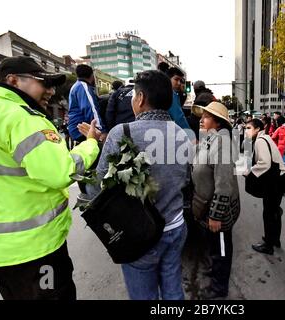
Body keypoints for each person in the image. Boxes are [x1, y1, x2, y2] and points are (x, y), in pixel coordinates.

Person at [0, 56, 100, 300]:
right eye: (44, 83)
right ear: (13, 81)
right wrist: (91, 143)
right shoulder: (21, 118)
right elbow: (61, 171)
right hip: (34, 249)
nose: (51, 91)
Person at [83, 70, 190, 300]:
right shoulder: (183, 134)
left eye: (133, 95)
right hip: (176, 227)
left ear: (140, 99)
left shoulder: (122, 132)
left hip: (142, 235)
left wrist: (91, 144)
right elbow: (185, 178)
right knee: (173, 292)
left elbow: (95, 188)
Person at [192, 102, 240, 299]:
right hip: (207, 207)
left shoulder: (223, 143)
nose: (201, 120)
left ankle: (220, 288)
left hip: (218, 211)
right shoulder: (211, 139)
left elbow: (224, 185)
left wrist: (216, 215)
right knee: (214, 246)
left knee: (221, 249)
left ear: (218, 122)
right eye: (202, 116)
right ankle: (216, 273)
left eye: (207, 117)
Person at [244, 119, 285, 255]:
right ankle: (274, 239)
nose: (246, 131)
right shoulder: (266, 137)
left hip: (274, 181)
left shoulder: (260, 141)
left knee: (269, 213)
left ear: (257, 129)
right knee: (274, 211)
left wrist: (250, 172)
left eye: (248, 128)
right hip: (280, 178)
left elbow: (265, 162)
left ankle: (268, 245)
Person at [68, 64, 107, 144]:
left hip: (77, 129)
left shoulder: (75, 86)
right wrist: (101, 130)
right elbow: (91, 108)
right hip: (84, 130)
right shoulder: (83, 86)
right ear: (91, 75)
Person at [166, 67, 191, 131]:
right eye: (176, 79)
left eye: (180, 80)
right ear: (168, 79)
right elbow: (179, 118)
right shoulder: (171, 94)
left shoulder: (165, 92)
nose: (179, 83)